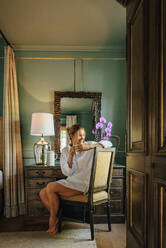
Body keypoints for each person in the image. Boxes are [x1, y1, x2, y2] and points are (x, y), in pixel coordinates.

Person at [39, 124, 112, 235]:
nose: (82, 138)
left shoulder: (90, 145)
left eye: (83, 135)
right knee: (42, 193)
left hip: (84, 183)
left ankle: (53, 219)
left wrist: (88, 147)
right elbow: (67, 173)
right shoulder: (65, 151)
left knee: (50, 187)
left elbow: (109, 143)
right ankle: (58, 219)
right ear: (71, 135)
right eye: (79, 135)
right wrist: (71, 156)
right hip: (72, 182)